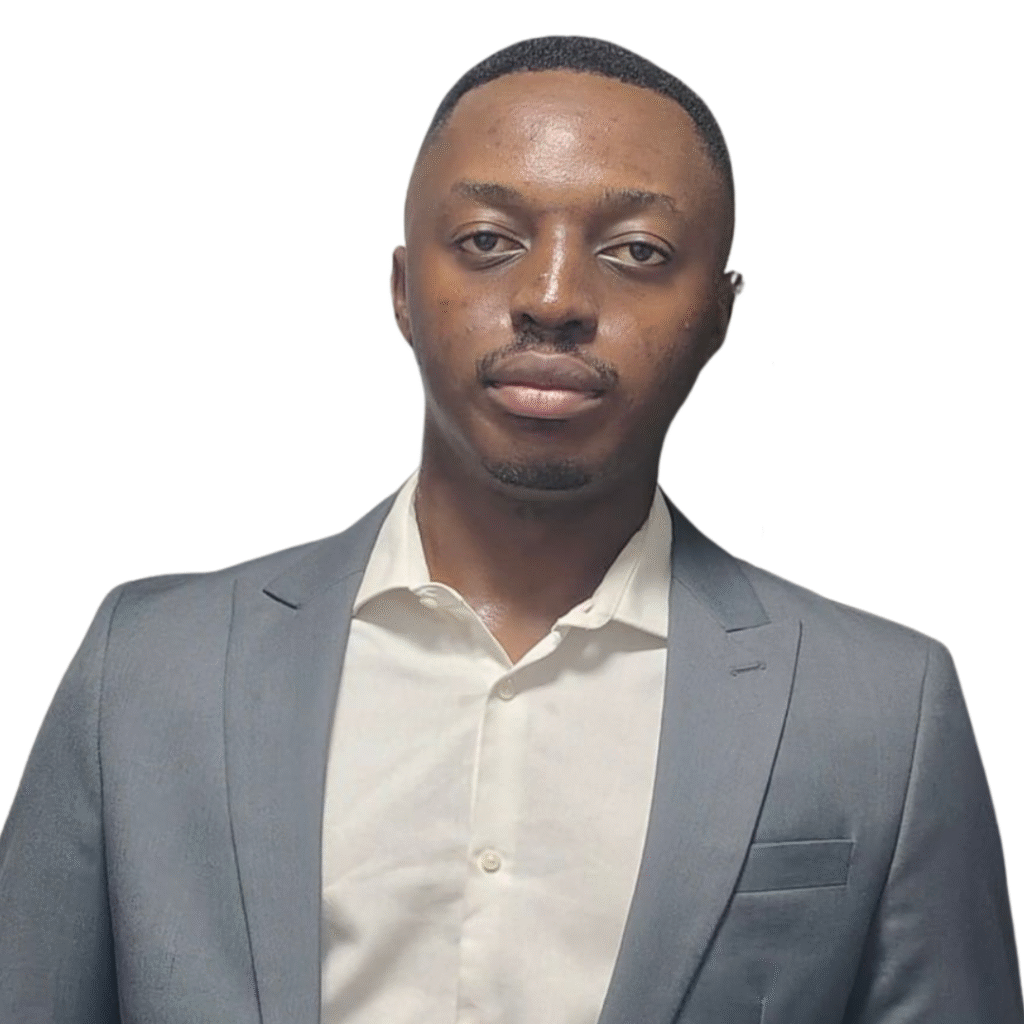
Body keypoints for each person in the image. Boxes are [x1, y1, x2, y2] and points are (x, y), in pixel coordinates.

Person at [1, 33, 1020, 1024]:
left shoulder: (882, 712)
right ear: (404, 288)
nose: (552, 297)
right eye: (489, 241)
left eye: (636, 251)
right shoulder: (148, 669)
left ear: (717, 314)